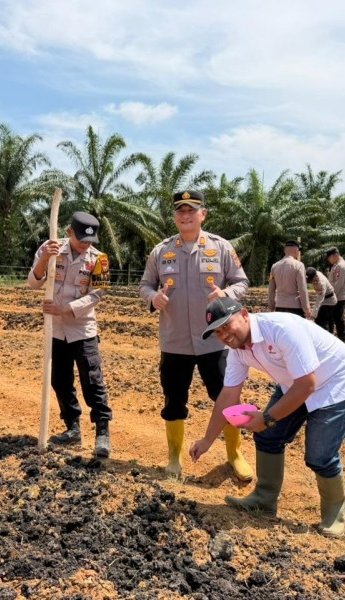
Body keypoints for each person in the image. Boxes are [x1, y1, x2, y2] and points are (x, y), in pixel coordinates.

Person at [189, 297, 345, 538]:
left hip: (334, 380)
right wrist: (207, 440)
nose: (224, 335)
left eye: (226, 326)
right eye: (218, 332)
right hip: (295, 381)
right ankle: (264, 498)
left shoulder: (281, 330)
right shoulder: (237, 350)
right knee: (268, 436)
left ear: (244, 314)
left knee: (320, 455)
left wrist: (266, 418)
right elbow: (228, 394)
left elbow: (307, 385)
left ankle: (333, 514)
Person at [139, 190, 252, 480]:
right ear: (175, 216)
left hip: (215, 341)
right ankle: (174, 457)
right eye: (180, 211)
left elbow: (241, 282)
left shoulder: (222, 248)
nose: (185, 216)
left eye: (192, 211)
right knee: (174, 400)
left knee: (225, 397)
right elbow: (145, 286)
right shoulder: (161, 251)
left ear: (203, 214)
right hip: (174, 341)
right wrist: (153, 299)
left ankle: (234, 454)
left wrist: (226, 292)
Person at [27, 211, 113, 458]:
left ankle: (102, 433)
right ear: (69, 233)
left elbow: (98, 294)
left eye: (90, 240)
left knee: (92, 380)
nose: (86, 244)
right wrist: (44, 259)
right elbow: (33, 282)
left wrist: (64, 308)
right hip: (54, 329)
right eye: (81, 239)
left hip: (82, 327)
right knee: (60, 380)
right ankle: (72, 428)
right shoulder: (49, 247)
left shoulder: (100, 259)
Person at [268, 240, 311, 318]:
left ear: (285, 250)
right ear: (296, 251)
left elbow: (271, 289)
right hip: (295, 306)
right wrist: (306, 308)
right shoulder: (299, 265)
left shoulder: (274, 266)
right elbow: (302, 289)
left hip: (280, 305)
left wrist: (271, 306)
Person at [325, 247, 345, 341]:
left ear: (335, 255)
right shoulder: (337, 265)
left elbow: (338, 284)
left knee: (338, 319)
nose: (328, 260)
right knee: (334, 318)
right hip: (336, 296)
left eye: (329, 257)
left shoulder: (341, 266)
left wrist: (331, 296)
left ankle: (342, 339)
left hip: (338, 297)